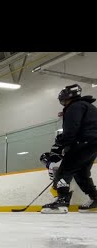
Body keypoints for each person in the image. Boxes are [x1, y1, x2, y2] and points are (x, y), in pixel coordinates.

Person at [42, 84, 97, 213]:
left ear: (67, 97)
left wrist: (61, 144)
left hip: (83, 142)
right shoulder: (86, 105)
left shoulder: (75, 106)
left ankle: (62, 201)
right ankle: (95, 198)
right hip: (92, 143)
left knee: (64, 170)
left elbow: (72, 128)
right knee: (81, 172)